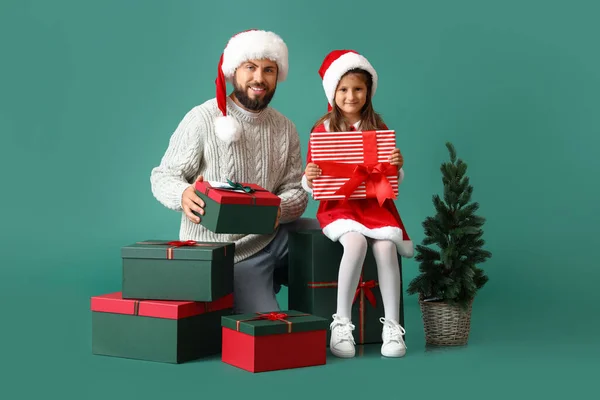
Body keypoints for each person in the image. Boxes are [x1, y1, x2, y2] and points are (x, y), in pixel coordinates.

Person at [150, 29, 310, 314]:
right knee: (264, 332)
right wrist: (183, 194)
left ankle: (345, 322)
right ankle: (258, 287)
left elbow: (295, 190)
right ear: (233, 71)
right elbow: (163, 176)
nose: (259, 78)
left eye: (268, 70)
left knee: (339, 235)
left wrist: (278, 209)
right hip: (230, 253)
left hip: (276, 235)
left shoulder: (285, 128)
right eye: (250, 67)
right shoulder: (202, 119)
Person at [302, 49, 414, 359]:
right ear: (333, 92)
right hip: (339, 208)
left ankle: (392, 328)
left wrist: (396, 165)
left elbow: (390, 177)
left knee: (386, 247)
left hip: (375, 207)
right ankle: (341, 323)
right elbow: (315, 175)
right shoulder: (322, 128)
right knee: (355, 244)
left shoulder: (377, 126)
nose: (351, 96)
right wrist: (309, 175)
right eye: (344, 89)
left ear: (368, 91)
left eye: (358, 89)